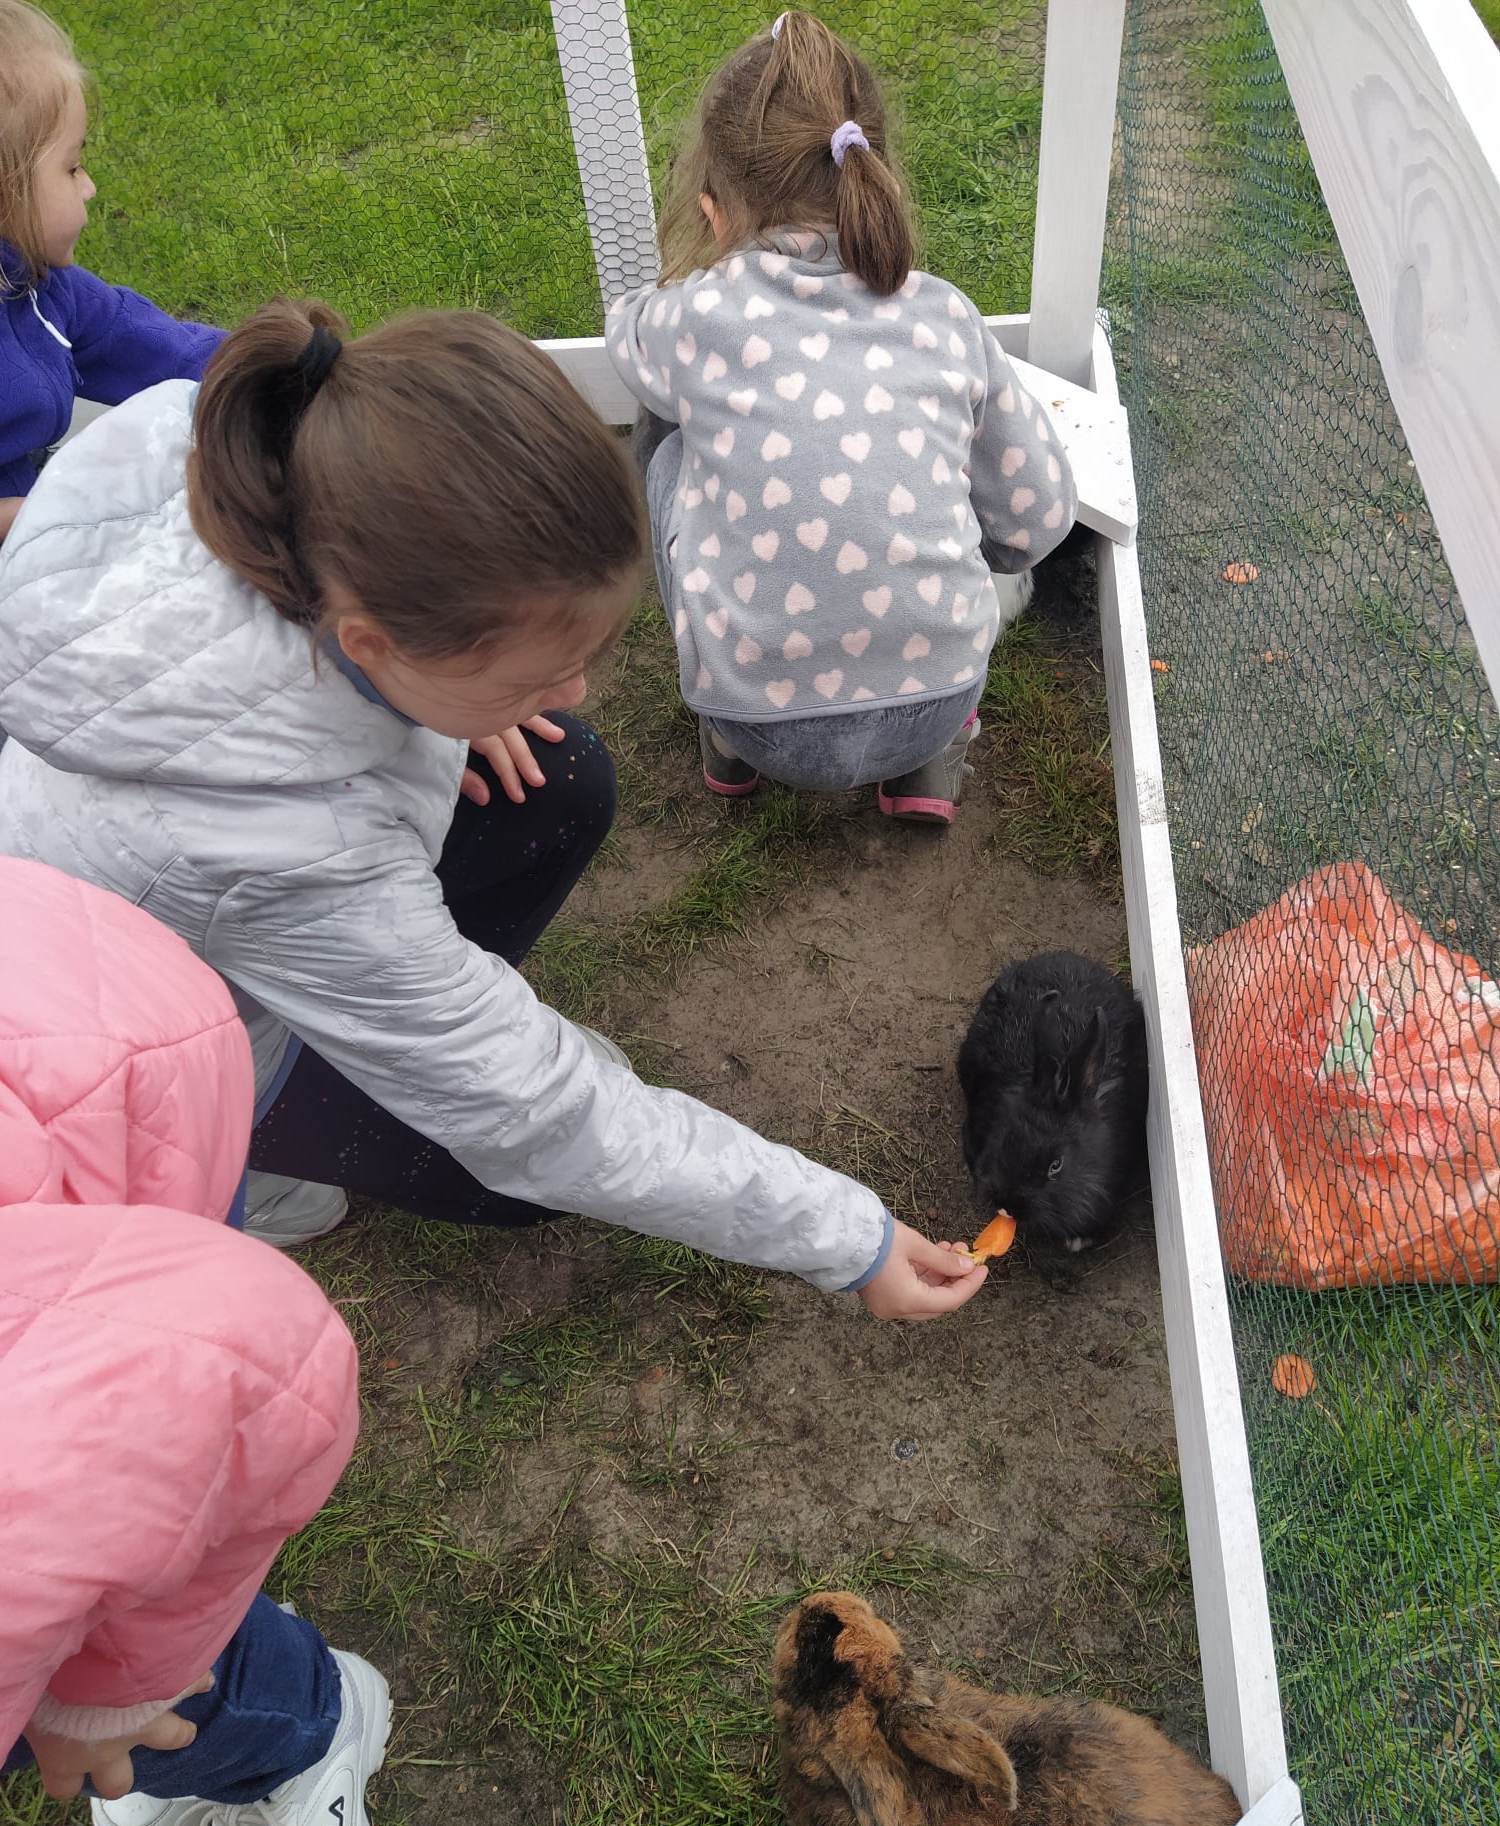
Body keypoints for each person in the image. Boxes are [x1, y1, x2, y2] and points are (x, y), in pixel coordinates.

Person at [0, 296, 986, 1317]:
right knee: (513, 1182)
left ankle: (415, 1004)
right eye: (531, 673)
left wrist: (444, 707)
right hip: (161, 1060)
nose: (577, 690)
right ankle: (256, 1164)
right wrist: (852, 1241)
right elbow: (541, 1116)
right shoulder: (285, 851)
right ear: (373, 641)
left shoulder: (277, 471)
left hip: (195, 901)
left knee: (559, 772)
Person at [0, 855, 384, 1826]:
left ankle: (300, 1731)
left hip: (105, 1074)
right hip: (69, 1016)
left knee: (88, 1626)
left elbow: (242, 1370)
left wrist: (108, 1690)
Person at [606, 9, 1078, 824]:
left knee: (667, 444)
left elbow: (625, 330)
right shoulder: (944, 316)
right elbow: (1038, 519)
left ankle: (722, 742)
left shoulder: (695, 319)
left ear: (716, 211)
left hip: (755, 720)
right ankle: (929, 763)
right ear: (874, 178)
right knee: (964, 473)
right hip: (935, 699)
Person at [0, 0, 222, 540]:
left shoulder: (39, 286)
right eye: (72, 167)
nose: (89, 186)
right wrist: (39, 517)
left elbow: (158, 346)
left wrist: (289, 369)